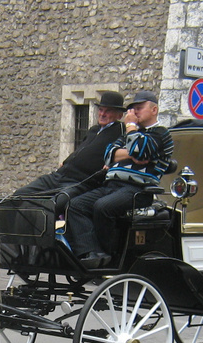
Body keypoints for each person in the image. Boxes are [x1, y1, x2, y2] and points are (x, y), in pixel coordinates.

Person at [66, 91, 174, 268]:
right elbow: (109, 154)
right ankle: (91, 252)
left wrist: (131, 127)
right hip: (112, 185)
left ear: (154, 109)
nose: (135, 112)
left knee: (103, 207)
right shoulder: (128, 135)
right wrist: (131, 151)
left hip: (137, 190)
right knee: (75, 205)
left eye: (139, 108)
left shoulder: (161, 134)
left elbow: (140, 150)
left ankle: (110, 256)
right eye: (133, 109)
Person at [13, 91, 126, 211]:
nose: (102, 114)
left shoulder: (121, 131)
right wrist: (67, 161)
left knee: (53, 205)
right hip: (59, 175)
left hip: (79, 181)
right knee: (18, 196)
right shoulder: (94, 130)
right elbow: (83, 149)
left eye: (108, 111)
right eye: (101, 110)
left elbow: (129, 148)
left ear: (119, 115)